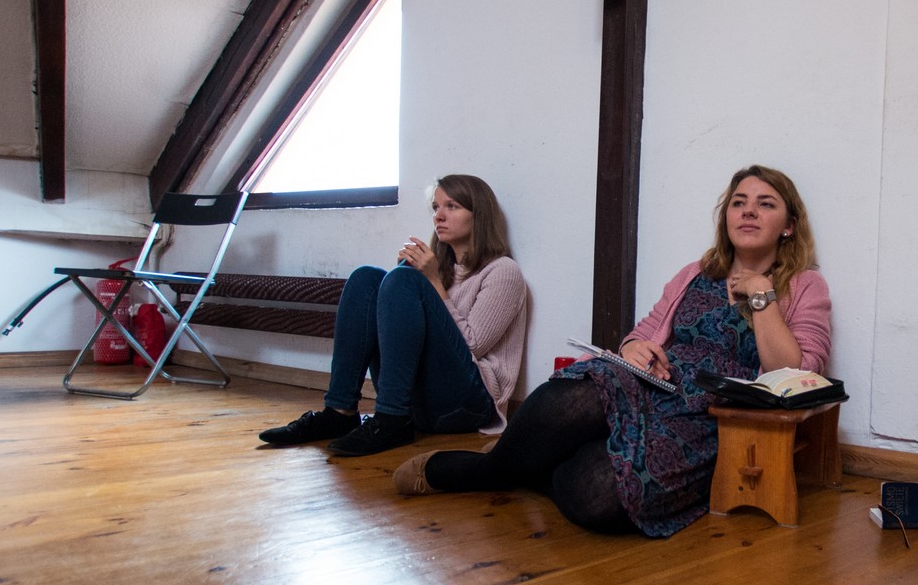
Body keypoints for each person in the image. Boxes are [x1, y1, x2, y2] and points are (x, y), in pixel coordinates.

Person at [393, 164, 832, 536]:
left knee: (596, 495)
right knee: (568, 396)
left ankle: (524, 463)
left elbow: (797, 375)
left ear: (788, 225)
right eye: (738, 202)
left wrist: (761, 294)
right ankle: (482, 471)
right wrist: (636, 347)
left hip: (712, 418)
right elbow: (641, 333)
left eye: (765, 204)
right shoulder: (696, 274)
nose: (748, 211)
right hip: (655, 385)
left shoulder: (804, 285)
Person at [259, 174, 527, 457]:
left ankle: (391, 419)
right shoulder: (440, 269)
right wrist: (406, 282)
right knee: (366, 278)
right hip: (420, 402)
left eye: (452, 206)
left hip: (469, 406)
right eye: (436, 207)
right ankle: (339, 412)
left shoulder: (503, 271)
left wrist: (430, 282)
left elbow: (473, 345)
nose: (439, 216)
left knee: (403, 280)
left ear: (479, 215)